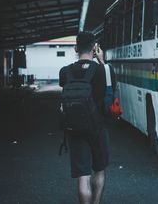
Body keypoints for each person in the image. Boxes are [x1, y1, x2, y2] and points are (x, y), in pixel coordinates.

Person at [59, 32, 115, 204]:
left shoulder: (65, 71)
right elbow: (110, 95)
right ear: (94, 47)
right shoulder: (104, 70)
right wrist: (102, 62)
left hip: (74, 128)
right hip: (98, 127)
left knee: (83, 177)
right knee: (99, 170)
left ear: (76, 48)